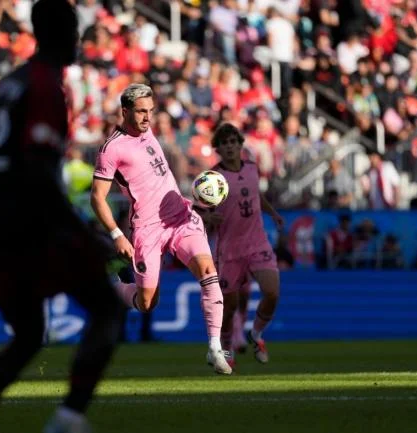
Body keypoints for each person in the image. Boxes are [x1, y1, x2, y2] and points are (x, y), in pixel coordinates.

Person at [0, 1, 125, 433]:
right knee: (107, 309)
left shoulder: (12, 84)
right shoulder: (45, 88)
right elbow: (39, 172)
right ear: (61, 35)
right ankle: (70, 417)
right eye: (74, 32)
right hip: (29, 217)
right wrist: (81, 232)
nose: (78, 42)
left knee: (26, 336)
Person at [91, 83, 232, 375]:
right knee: (146, 303)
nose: (147, 118)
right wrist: (117, 234)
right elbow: (96, 198)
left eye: (150, 112)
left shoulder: (149, 132)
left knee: (208, 272)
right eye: (141, 112)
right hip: (147, 229)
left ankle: (216, 348)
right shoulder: (112, 149)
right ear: (125, 111)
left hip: (181, 217)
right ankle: (113, 286)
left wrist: (199, 202)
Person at [197, 123, 284, 368]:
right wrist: (208, 217)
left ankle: (255, 334)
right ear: (218, 148)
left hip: (257, 242)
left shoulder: (252, 169)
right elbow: (196, 209)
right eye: (224, 143)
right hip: (229, 249)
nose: (230, 147)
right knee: (230, 305)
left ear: (240, 144)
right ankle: (226, 348)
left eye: (233, 142)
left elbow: (257, 196)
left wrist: (273, 213)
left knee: (272, 292)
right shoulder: (212, 178)